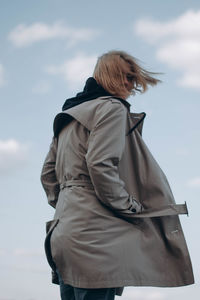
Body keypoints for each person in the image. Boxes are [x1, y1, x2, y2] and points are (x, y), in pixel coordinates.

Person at [40, 50, 194, 300]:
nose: (129, 84)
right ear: (106, 75)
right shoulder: (111, 108)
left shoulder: (70, 116)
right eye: (124, 76)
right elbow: (100, 164)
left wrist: (70, 203)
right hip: (96, 236)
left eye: (132, 78)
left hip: (63, 233)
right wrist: (128, 206)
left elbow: (47, 174)